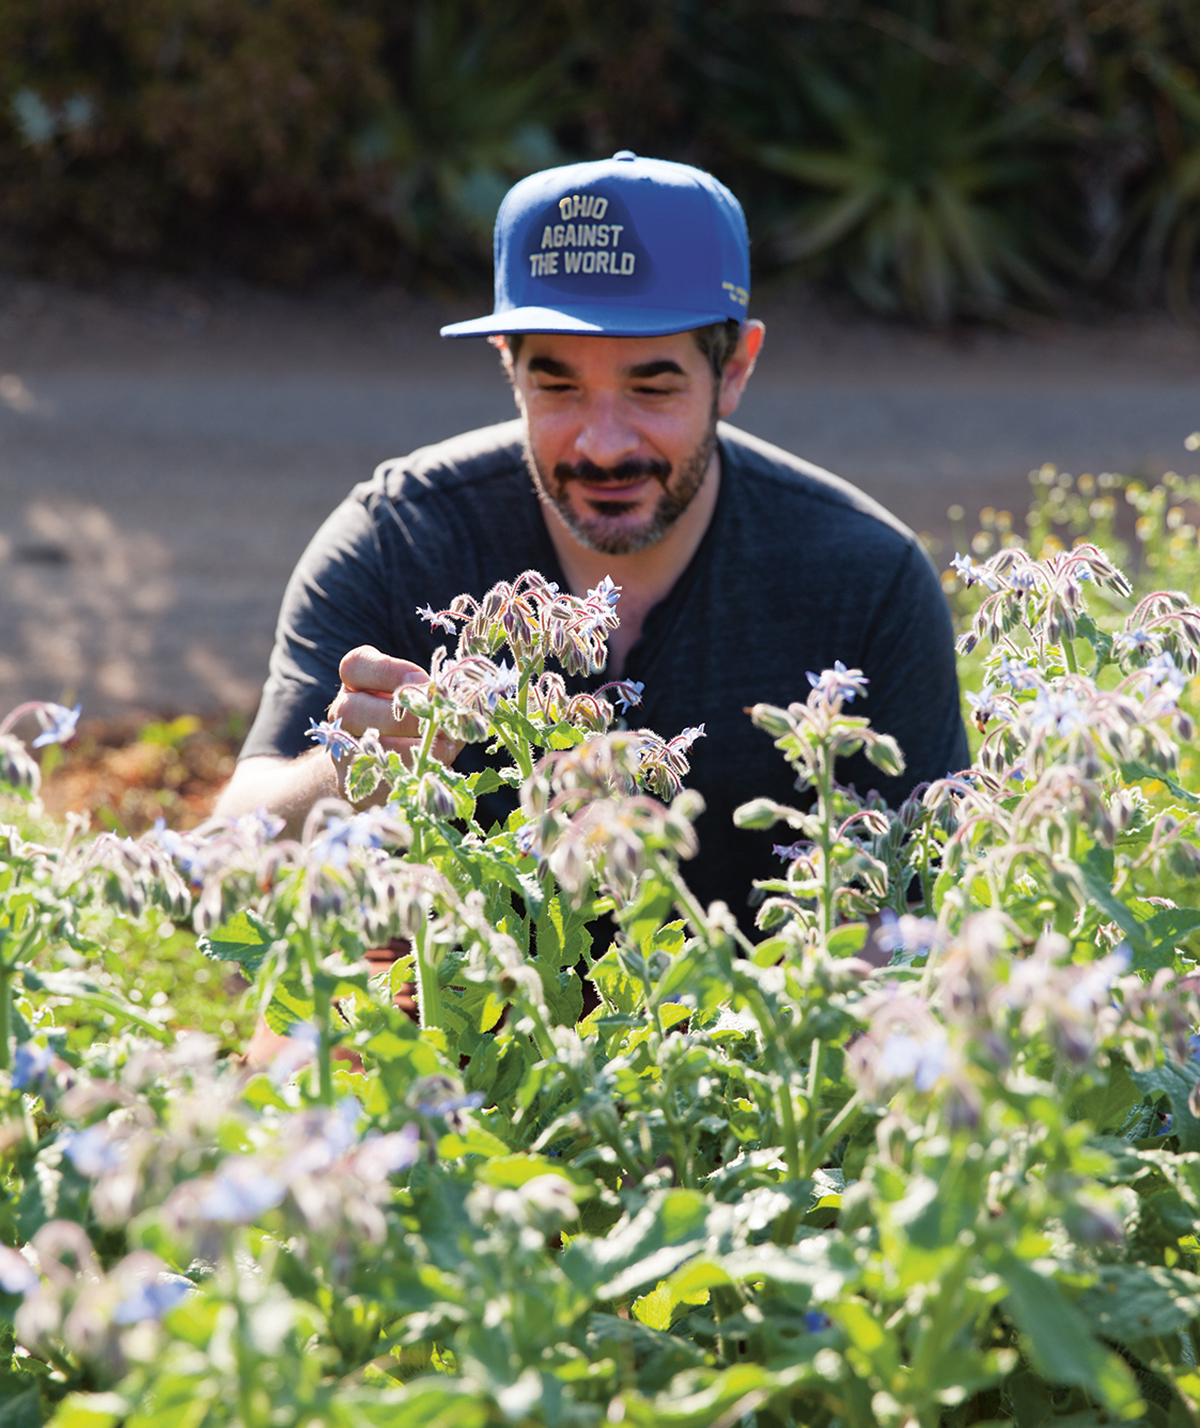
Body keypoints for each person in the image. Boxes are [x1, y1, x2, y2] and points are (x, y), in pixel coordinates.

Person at [215, 151, 969, 928]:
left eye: (652, 386)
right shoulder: (395, 540)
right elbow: (217, 868)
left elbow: (924, 923)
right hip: (449, 1043)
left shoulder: (865, 578)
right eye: (558, 385)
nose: (603, 444)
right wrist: (347, 776)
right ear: (508, 367)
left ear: (735, 369)